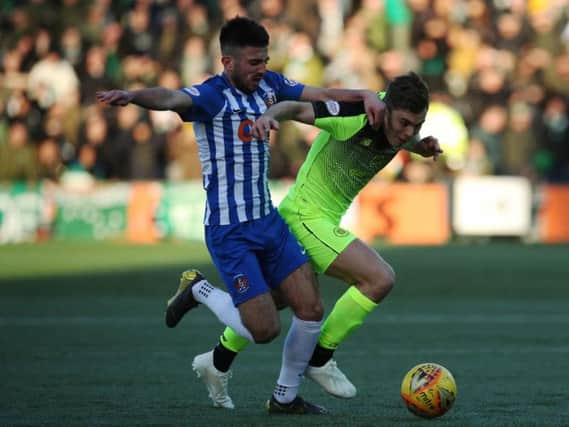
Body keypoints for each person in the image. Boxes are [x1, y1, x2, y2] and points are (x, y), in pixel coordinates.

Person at [96, 16, 384, 415]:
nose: (261, 68)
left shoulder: (271, 86)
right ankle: (198, 288)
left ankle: (284, 398)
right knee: (263, 329)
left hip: (268, 222)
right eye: (253, 62)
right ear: (227, 62)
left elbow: (323, 91)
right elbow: (171, 97)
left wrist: (367, 93)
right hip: (230, 231)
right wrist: (133, 95)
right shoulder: (212, 97)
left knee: (311, 309)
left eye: (264, 60)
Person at [189, 72, 442, 407]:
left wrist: (418, 146)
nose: (408, 131)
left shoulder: (398, 123)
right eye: (405, 124)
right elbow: (295, 107)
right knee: (379, 279)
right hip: (306, 217)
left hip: (319, 219)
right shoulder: (355, 116)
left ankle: (220, 361)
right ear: (386, 109)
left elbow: (402, 134)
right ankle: (319, 357)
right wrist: (268, 116)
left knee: (272, 304)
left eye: (417, 125)